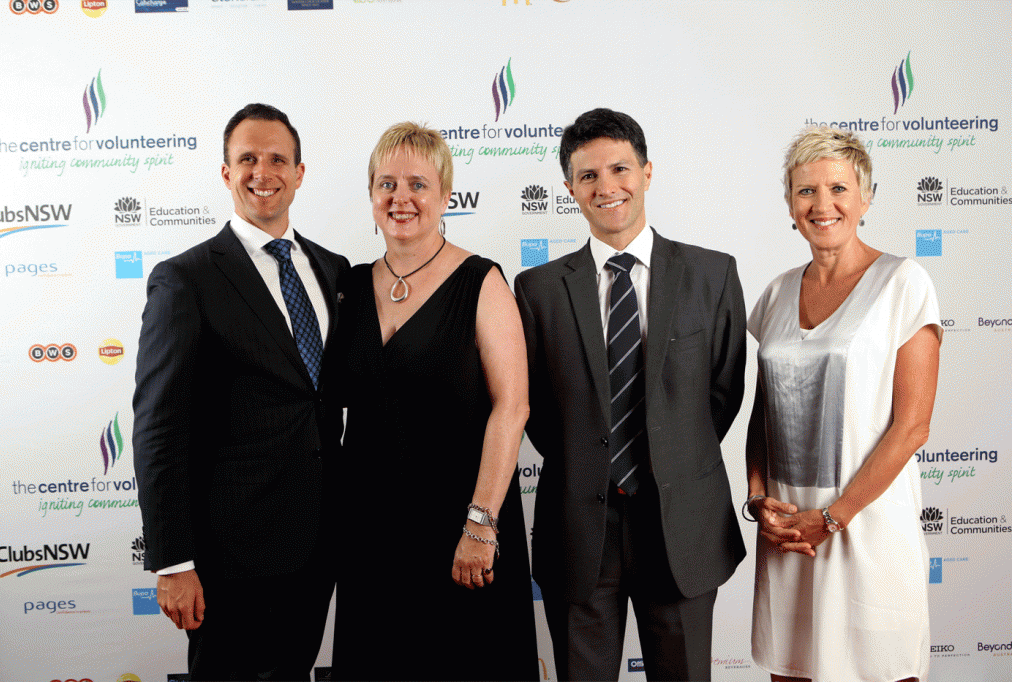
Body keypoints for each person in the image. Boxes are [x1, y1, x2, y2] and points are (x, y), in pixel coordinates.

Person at [514, 108, 747, 681]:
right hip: (579, 527)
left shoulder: (712, 274)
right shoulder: (537, 290)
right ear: (570, 188)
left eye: (620, 168)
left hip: (682, 525)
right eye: (588, 175)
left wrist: (665, 455)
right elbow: (539, 413)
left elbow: (723, 392)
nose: (606, 187)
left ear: (647, 171)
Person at [133, 103, 349, 681]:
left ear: (300, 173)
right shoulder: (186, 278)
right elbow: (158, 427)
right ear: (225, 173)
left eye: (278, 159)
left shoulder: (334, 270)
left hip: (318, 546)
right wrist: (174, 561)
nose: (263, 171)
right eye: (247, 158)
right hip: (228, 557)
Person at [330, 122, 538, 681]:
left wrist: (480, 524)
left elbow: (512, 407)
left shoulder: (482, 281)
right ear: (371, 193)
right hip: (371, 535)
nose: (401, 198)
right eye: (387, 183)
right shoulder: (347, 286)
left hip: (461, 530)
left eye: (417, 184)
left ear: (446, 195)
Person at [744, 126, 941, 682]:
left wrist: (832, 519)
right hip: (790, 538)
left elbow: (912, 426)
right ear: (789, 204)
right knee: (792, 672)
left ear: (865, 198)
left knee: (881, 670)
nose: (822, 204)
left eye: (838, 188)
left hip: (865, 531)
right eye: (806, 191)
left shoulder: (904, 282)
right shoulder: (777, 293)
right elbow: (764, 416)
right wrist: (760, 498)